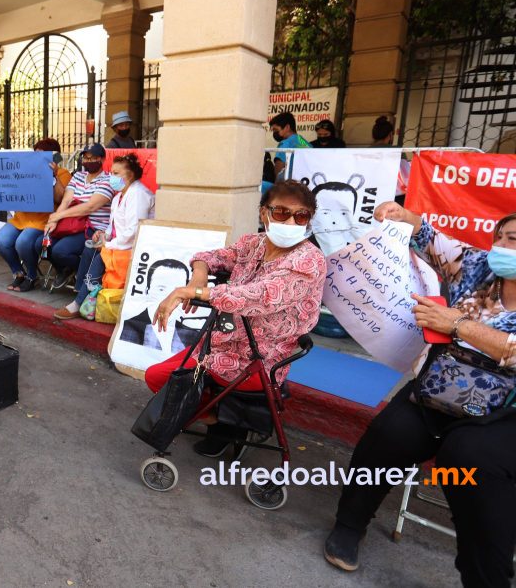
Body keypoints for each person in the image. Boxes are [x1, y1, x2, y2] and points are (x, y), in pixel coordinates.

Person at [325, 206, 516, 586]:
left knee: (470, 461)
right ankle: (349, 524)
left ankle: (485, 577)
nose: (505, 247)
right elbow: (425, 233)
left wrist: (458, 325)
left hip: (502, 412)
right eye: (503, 238)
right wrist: (402, 214)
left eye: (514, 241)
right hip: (439, 389)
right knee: (389, 434)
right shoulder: (476, 265)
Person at [145, 180, 326, 456]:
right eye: (281, 212)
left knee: (164, 381)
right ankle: (225, 422)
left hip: (260, 357)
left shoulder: (308, 260)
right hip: (223, 340)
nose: (290, 222)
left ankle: (227, 422)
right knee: (157, 378)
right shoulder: (255, 243)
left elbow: (259, 295)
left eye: (300, 216)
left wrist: (192, 292)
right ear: (263, 212)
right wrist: (199, 274)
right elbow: (211, 256)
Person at [65, 153, 155, 317]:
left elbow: (134, 231)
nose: (111, 177)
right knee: (89, 250)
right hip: (121, 244)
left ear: (130, 174)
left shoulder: (138, 194)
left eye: (116, 174)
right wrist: (104, 236)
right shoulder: (119, 196)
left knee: (99, 257)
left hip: (134, 247)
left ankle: (79, 302)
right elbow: (113, 226)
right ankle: (83, 298)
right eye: (111, 172)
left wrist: (108, 245)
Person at [0, 138, 71, 293]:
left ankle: (32, 275)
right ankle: (18, 272)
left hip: (43, 220)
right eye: (36, 153)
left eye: (42, 154)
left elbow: (60, 199)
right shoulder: (26, 171)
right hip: (22, 217)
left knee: (22, 242)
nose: (37, 157)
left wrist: (53, 177)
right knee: (0, 239)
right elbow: (10, 185)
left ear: (54, 156)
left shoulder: (63, 173)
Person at [46, 143, 116, 318]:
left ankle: (80, 296)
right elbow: (66, 200)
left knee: (75, 250)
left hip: (95, 229)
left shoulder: (108, 180)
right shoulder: (78, 176)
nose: (89, 161)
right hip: (75, 225)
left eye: (93, 158)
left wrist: (57, 217)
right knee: (50, 246)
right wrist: (55, 219)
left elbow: (89, 207)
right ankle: (74, 273)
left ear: (102, 159)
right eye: (86, 157)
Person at [269, 111, 311, 178]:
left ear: (287, 127)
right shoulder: (304, 142)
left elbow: (279, 173)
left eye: (275, 130)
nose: (274, 133)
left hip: (290, 184)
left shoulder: (285, 143)